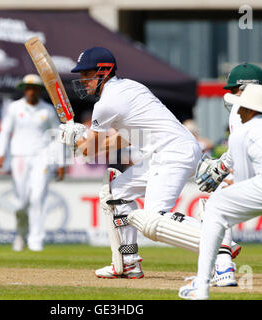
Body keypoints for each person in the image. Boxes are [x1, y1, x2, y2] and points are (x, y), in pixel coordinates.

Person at [60, 47, 203, 279]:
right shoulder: (130, 87)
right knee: (116, 193)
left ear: (103, 72)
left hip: (172, 153)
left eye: (87, 74)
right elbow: (122, 138)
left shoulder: (106, 103)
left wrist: (75, 139)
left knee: (154, 219)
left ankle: (221, 244)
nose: (83, 80)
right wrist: (80, 142)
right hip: (170, 152)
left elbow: (91, 150)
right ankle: (128, 262)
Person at [179, 84, 262, 300]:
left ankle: (202, 287)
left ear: (252, 110)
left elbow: (244, 181)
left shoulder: (242, 133)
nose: (237, 112)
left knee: (215, 206)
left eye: (242, 108)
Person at [0, 74, 65, 252]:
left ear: (38, 90)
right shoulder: (14, 108)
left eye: (34, 88)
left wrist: (60, 162)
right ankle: (21, 233)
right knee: (21, 203)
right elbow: (4, 131)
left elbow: (57, 137)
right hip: (19, 156)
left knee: (37, 199)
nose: (31, 91)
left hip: (41, 158)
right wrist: (1, 153)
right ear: (24, 90)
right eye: (28, 88)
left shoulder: (47, 110)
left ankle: (36, 240)